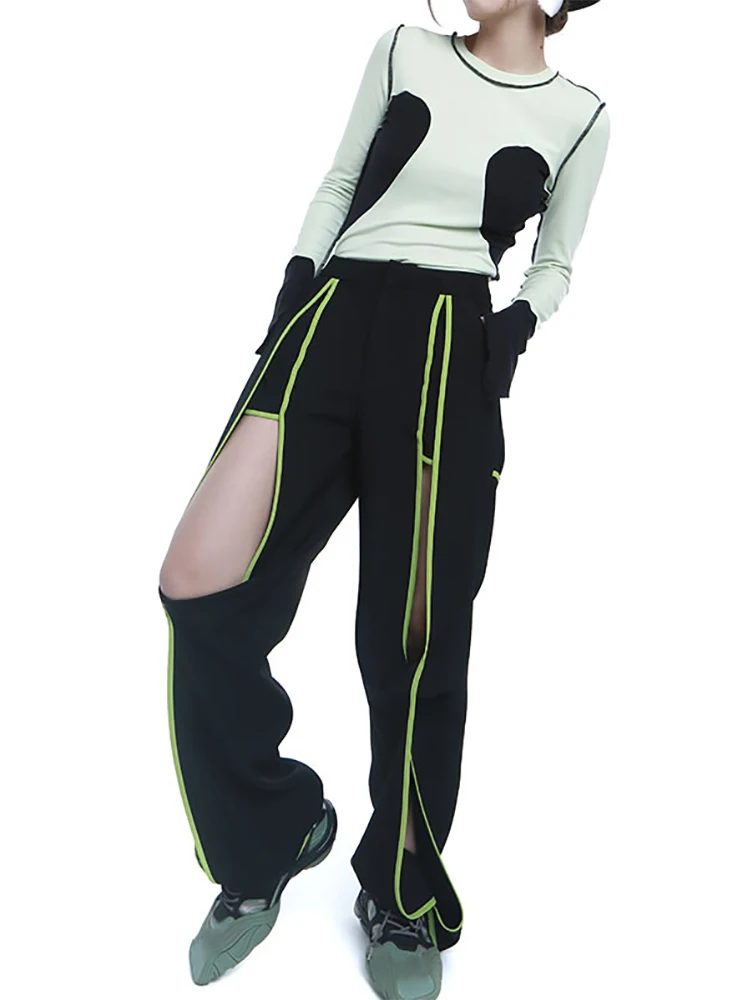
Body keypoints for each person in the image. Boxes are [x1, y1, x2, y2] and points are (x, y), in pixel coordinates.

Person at [157, 1, 610, 996]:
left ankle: (402, 893)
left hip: (451, 347)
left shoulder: (580, 115)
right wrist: (294, 291)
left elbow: (556, 263)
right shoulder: (403, 49)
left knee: (416, 638)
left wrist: (515, 327)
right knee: (198, 583)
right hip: (331, 315)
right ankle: (271, 831)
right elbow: (340, 182)